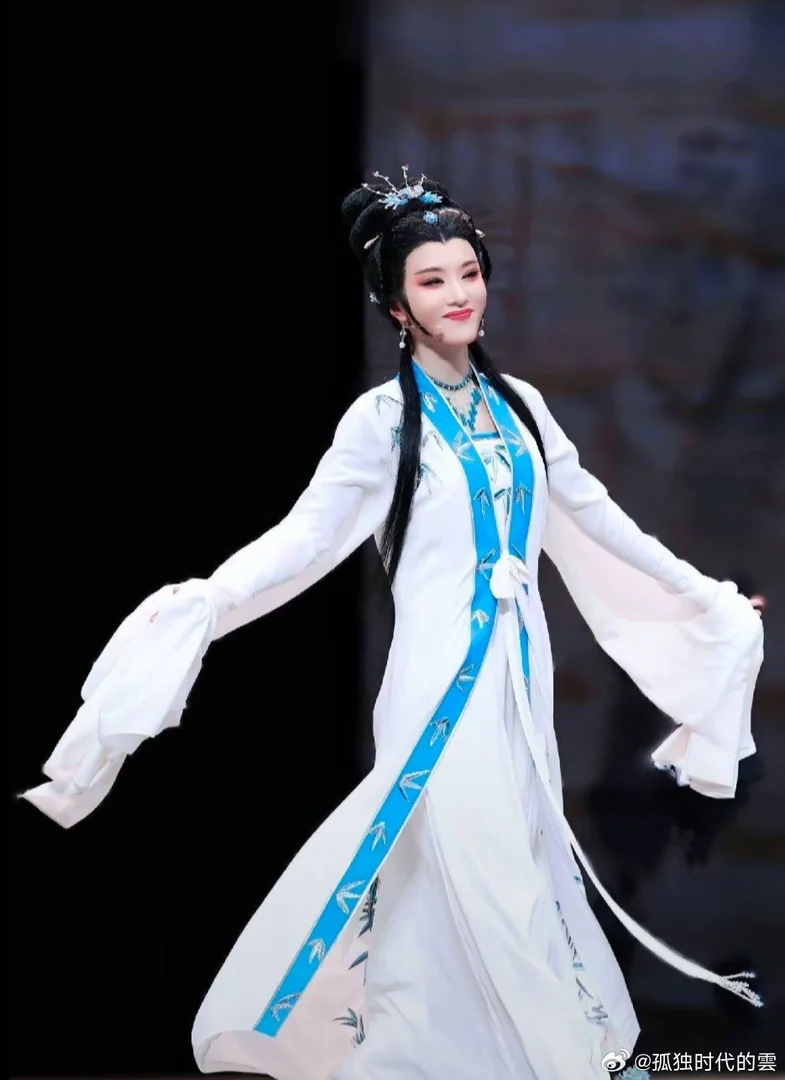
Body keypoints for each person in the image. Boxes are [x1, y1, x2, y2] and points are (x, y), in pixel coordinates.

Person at [22, 169, 766, 1080]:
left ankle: (432, 1057)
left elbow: (597, 518)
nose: (457, 295)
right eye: (431, 280)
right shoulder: (379, 423)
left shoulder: (521, 408)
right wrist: (206, 602)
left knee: (486, 871)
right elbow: (305, 540)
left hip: (514, 683)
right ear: (394, 305)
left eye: (468, 273)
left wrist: (703, 595)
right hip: (435, 684)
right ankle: (567, 1062)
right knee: (489, 868)